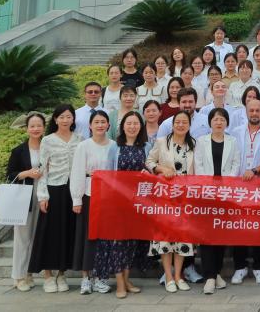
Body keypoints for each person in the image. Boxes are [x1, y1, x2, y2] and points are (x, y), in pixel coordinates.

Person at [93, 111, 148, 299]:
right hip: (116, 202)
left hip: (138, 203)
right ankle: (119, 283)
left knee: (131, 242)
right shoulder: (114, 147)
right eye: (129, 123)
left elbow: (150, 169)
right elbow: (108, 173)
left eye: (136, 123)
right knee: (117, 242)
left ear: (140, 126)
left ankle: (127, 279)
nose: (132, 127)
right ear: (122, 126)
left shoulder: (146, 146)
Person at [28, 104, 80, 293]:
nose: (65, 120)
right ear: (56, 119)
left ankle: (61, 274)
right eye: (62, 117)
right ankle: (48, 275)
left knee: (67, 232)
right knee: (49, 233)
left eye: (69, 116)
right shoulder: (48, 140)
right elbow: (43, 169)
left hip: (72, 191)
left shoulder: (80, 139)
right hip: (53, 190)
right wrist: (42, 196)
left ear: (73, 119)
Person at [147, 110, 195, 292]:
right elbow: (149, 161)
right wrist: (161, 169)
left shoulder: (194, 144)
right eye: (178, 122)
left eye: (184, 122)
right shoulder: (161, 142)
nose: (181, 125)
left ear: (189, 125)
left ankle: (178, 276)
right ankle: (168, 276)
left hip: (185, 198)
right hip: (164, 198)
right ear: (172, 124)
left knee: (182, 237)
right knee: (165, 239)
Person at [194, 108, 241, 294]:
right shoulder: (201, 141)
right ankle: (210, 276)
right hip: (206, 194)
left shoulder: (233, 141)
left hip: (225, 194)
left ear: (227, 123)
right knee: (206, 236)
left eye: (222, 119)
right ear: (210, 122)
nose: (219, 122)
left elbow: (236, 164)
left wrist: (225, 185)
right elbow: (198, 165)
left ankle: (217, 273)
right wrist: (210, 186)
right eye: (215, 119)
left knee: (221, 235)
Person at [70, 110, 116, 295]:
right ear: (90, 125)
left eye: (103, 122)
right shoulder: (84, 146)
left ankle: (101, 277)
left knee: (104, 238)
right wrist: (77, 199)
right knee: (87, 236)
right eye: (96, 122)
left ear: (108, 125)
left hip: (108, 198)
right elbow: (77, 172)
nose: (100, 125)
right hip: (89, 195)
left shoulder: (114, 145)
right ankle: (86, 278)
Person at [229, 98, 260, 285]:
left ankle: (259, 267)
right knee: (238, 228)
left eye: (258, 110)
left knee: (259, 228)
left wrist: (255, 170)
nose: (254, 113)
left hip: (259, 186)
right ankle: (240, 267)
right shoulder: (235, 132)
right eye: (251, 110)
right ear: (246, 112)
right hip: (239, 187)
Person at [7, 111, 45, 292]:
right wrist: (28, 173)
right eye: (32, 126)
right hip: (25, 197)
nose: (36, 129)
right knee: (22, 238)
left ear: (44, 127)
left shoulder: (48, 147)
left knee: (37, 237)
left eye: (39, 125)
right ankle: (19, 276)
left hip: (44, 196)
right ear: (27, 129)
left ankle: (29, 273)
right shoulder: (19, 150)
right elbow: (11, 174)